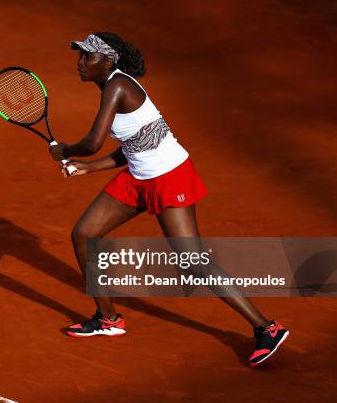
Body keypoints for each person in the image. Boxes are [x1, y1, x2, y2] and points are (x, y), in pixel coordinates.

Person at [49, 32, 289, 367]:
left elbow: (92, 142)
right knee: (84, 234)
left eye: (88, 57)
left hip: (169, 176)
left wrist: (66, 151)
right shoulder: (110, 88)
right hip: (138, 176)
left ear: (108, 61)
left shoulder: (118, 86)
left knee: (192, 262)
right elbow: (135, 145)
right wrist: (88, 169)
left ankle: (267, 327)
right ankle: (108, 318)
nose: (80, 63)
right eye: (79, 56)